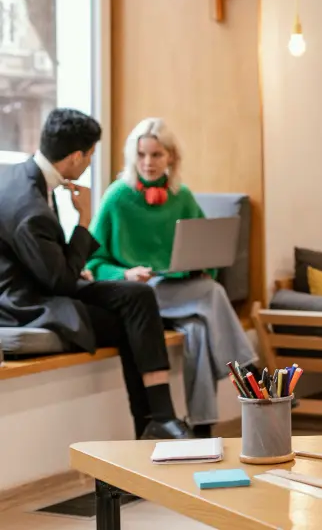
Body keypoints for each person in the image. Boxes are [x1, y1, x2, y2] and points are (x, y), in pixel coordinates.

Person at [0, 108, 192, 440]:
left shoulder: (25, 175)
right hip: (25, 301)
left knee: (139, 296)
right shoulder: (29, 207)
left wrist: (78, 267)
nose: (89, 162)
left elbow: (51, 264)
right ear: (75, 156)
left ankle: (158, 420)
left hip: (47, 280)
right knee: (133, 320)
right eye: (90, 155)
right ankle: (155, 421)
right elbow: (58, 280)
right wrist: (84, 220)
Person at [86, 118, 256, 435]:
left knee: (200, 330)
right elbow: (91, 261)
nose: (148, 163)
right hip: (140, 295)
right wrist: (126, 271)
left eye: (156, 155)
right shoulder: (116, 197)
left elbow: (207, 250)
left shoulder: (183, 197)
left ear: (171, 157)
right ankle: (249, 373)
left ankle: (203, 426)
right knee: (212, 292)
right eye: (141, 155)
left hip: (180, 291)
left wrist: (201, 266)